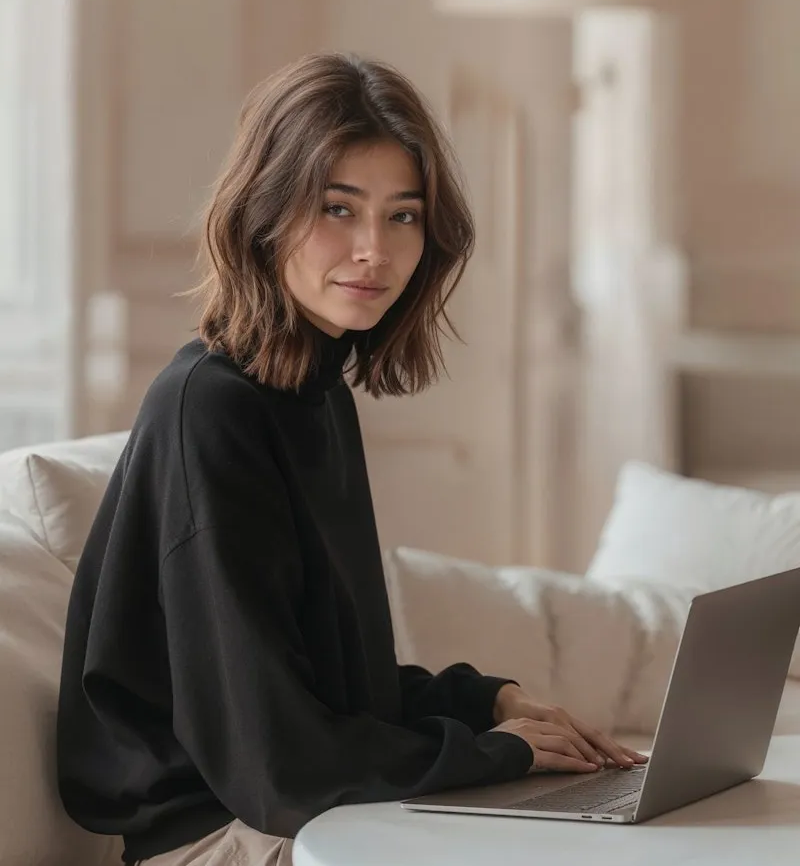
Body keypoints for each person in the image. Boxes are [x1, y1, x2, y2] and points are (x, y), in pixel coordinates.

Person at [57, 52, 646, 866]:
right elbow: (277, 762)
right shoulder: (211, 410)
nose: (375, 249)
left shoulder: (314, 393)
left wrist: (490, 702)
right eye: (340, 208)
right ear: (266, 210)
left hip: (309, 815)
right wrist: (499, 752)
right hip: (223, 839)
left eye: (402, 216)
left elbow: (328, 689)